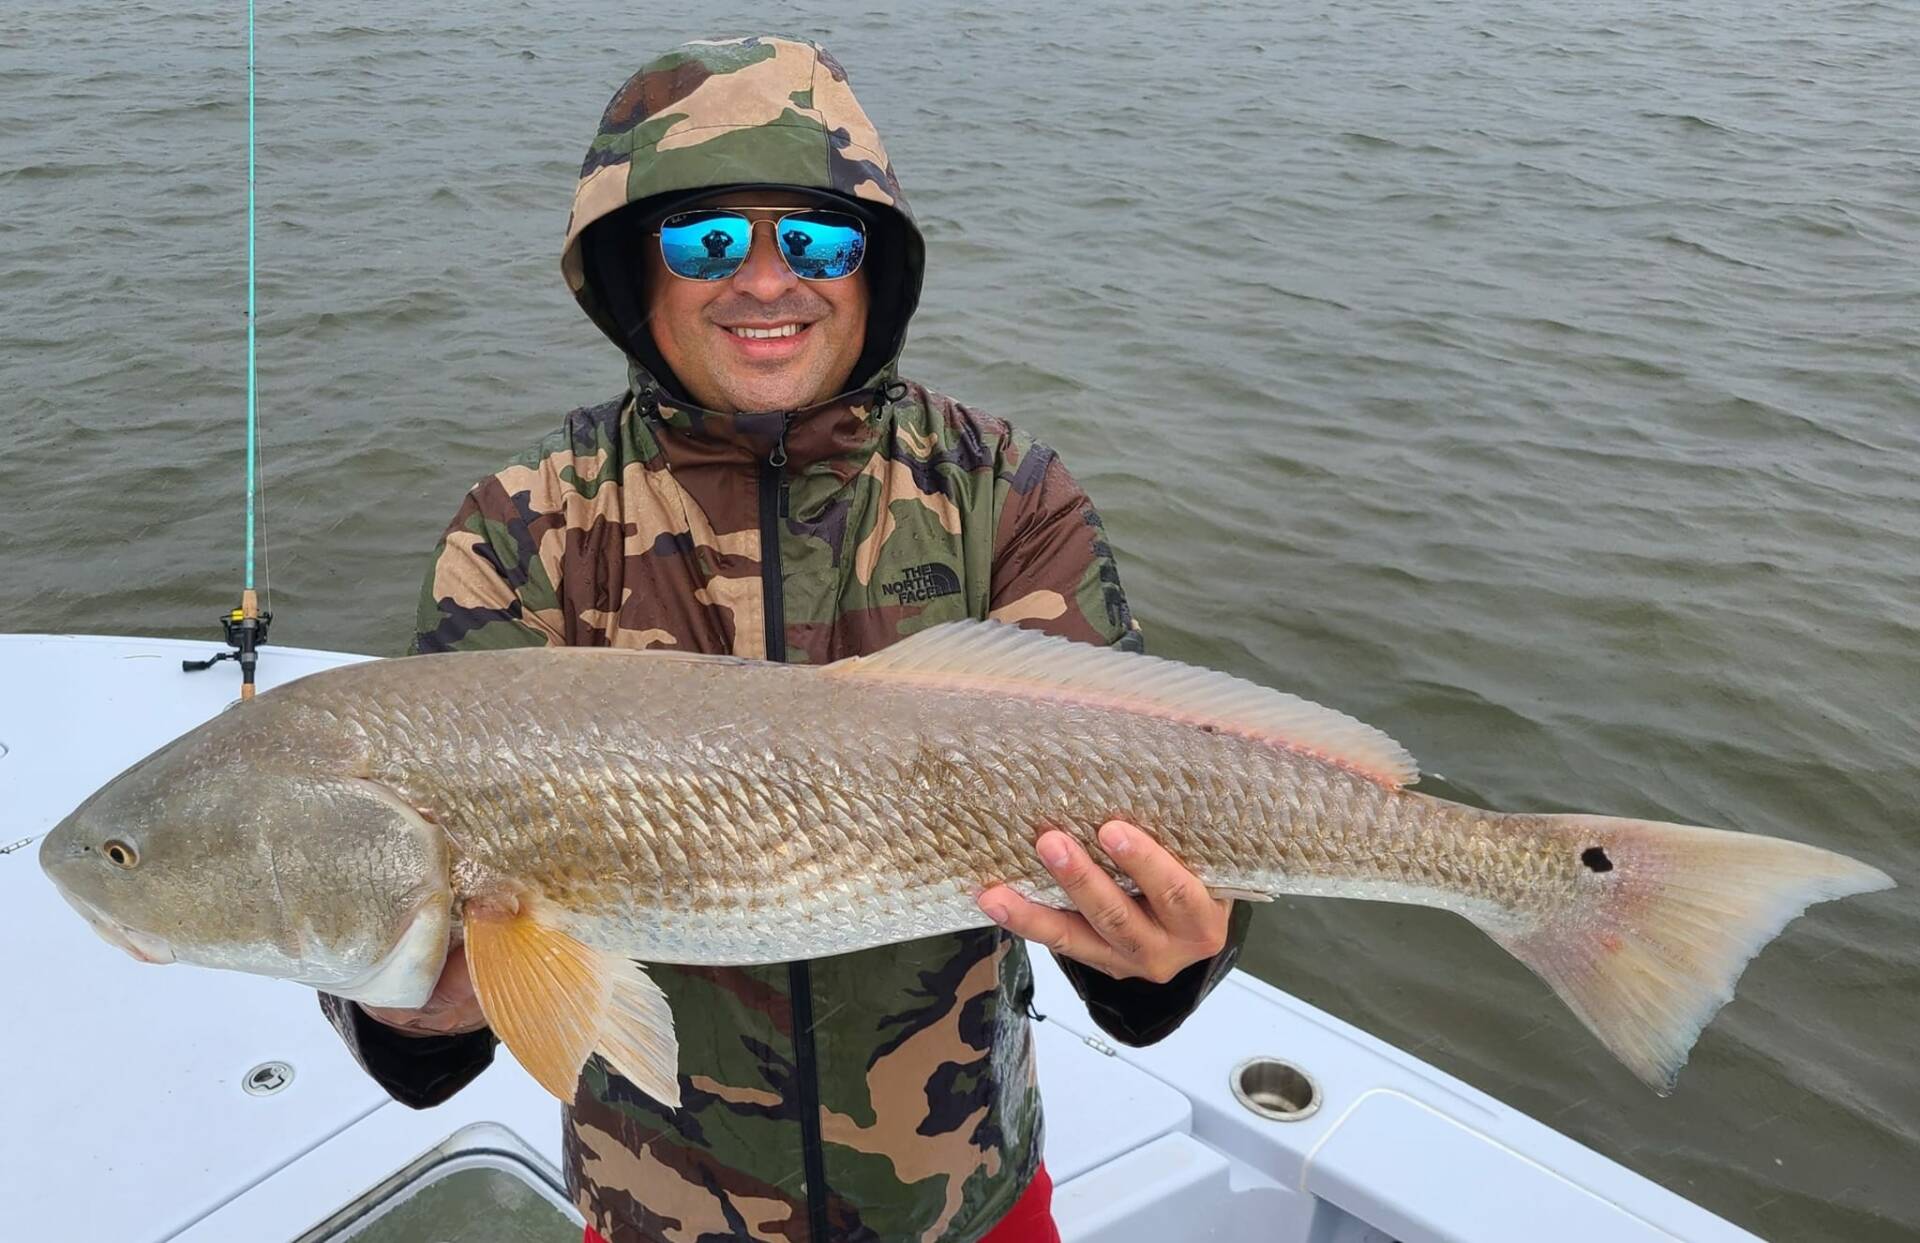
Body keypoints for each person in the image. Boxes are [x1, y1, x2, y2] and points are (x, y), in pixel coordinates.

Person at [319, 36, 1250, 1243]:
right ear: (630, 274)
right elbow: (443, 994)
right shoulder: (525, 527)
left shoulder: (1005, 496)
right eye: (706, 240)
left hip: (964, 1203)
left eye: (817, 239)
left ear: (875, 271)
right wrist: (412, 1012)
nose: (767, 281)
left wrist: (1165, 959)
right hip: (655, 1213)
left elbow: (1175, 821)